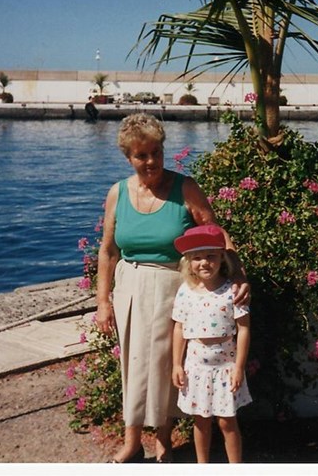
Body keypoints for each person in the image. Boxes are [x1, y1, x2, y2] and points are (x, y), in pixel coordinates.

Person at [95, 113, 249, 463]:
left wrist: (238, 273)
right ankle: (132, 442)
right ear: (128, 157)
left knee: (170, 365)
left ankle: (163, 439)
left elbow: (215, 233)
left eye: (157, 152)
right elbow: (108, 250)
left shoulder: (185, 188)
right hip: (130, 287)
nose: (151, 161)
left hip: (173, 287)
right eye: (142, 155)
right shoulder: (117, 193)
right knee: (133, 366)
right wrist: (103, 301)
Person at [171, 224, 251, 463]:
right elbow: (179, 328)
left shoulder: (232, 291)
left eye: (210, 256)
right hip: (196, 369)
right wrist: (177, 364)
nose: (204, 263)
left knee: (227, 422)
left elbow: (244, 329)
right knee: (201, 422)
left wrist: (239, 367)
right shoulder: (185, 292)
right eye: (197, 258)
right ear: (188, 262)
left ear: (221, 258)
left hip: (225, 368)